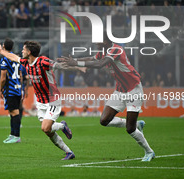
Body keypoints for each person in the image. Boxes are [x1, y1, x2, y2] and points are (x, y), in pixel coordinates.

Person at [60, 33, 155, 162]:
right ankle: (137, 124)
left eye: (97, 41)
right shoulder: (103, 51)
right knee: (104, 120)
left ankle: (149, 152)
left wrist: (76, 62)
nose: (95, 43)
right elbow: (91, 59)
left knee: (130, 129)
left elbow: (99, 64)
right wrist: (74, 62)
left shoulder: (116, 49)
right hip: (120, 90)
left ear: (105, 41)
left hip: (133, 89)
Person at [0, 40, 84, 160]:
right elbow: (13, 57)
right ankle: (68, 151)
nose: (21, 51)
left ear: (29, 52)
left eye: (24, 49)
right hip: (40, 101)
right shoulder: (25, 62)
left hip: (52, 99)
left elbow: (59, 66)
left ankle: (62, 126)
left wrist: (78, 67)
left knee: (45, 128)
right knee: (48, 131)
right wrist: (1, 52)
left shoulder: (43, 61)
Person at [0, 38, 24, 143]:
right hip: (17, 88)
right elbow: (21, 75)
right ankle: (12, 134)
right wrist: (21, 88)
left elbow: (3, 77)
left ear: (4, 47)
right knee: (12, 111)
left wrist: (0, 89)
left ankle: (16, 136)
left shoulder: (4, 59)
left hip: (10, 89)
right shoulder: (16, 58)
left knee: (14, 112)